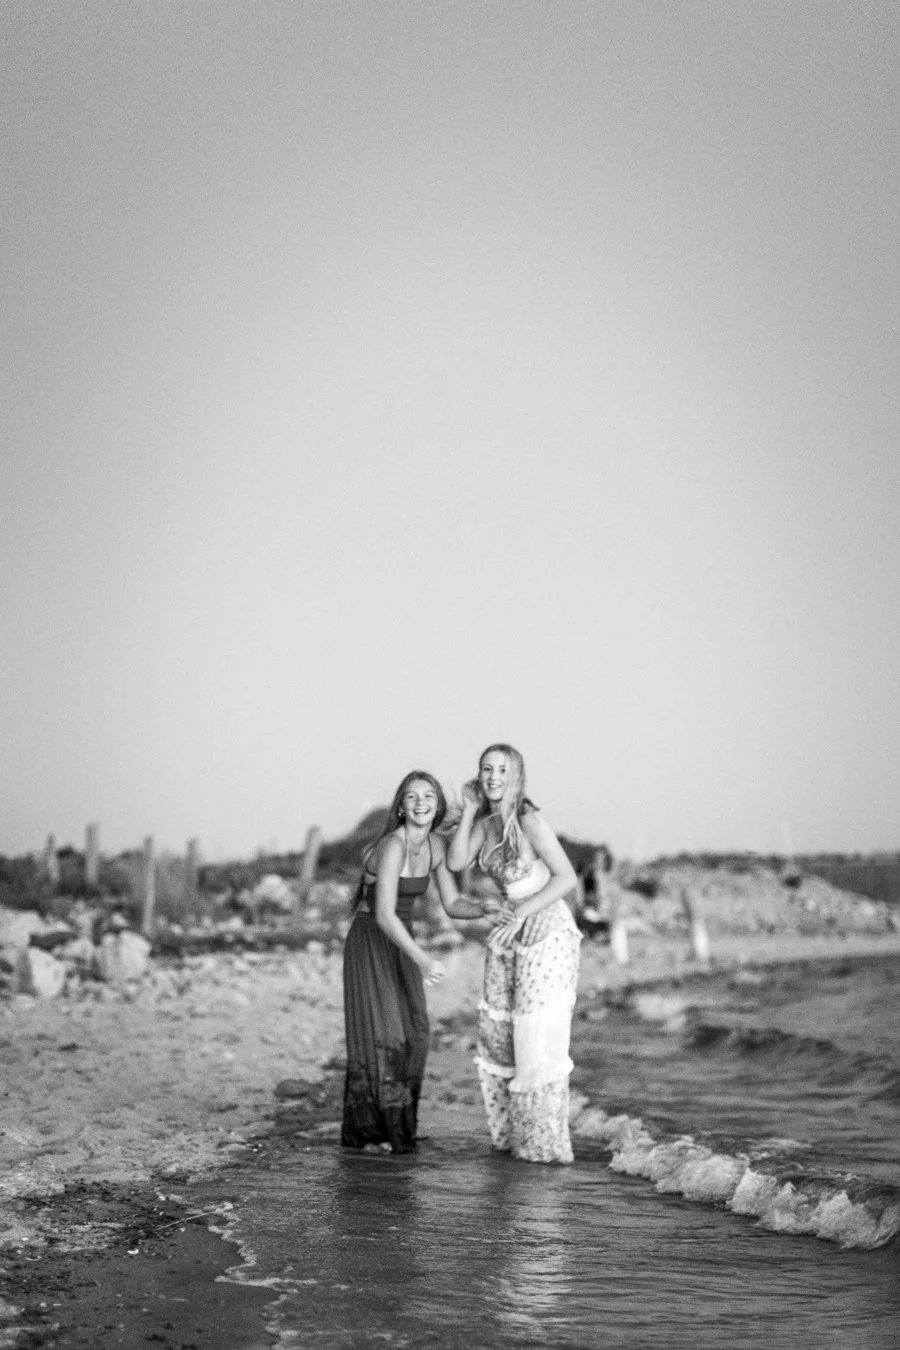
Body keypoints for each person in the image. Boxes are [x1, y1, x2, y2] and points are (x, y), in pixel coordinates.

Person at [341, 769, 495, 1154]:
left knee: (417, 1034)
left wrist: (483, 909)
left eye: (428, 796)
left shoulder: (438, 846)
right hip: (373, 940)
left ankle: (399, 1128)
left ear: (438, 805)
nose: (421, 802)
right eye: (412, 797)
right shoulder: (392, 846)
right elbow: (383, 914)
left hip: (402, 939)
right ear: (400, 807)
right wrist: (424, 961)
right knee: (386, 1036)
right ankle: (373, 1132)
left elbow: (453, 904)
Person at [447, 743, 581, 1164]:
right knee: (503, 1036)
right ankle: (515, 1141)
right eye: (487, 769)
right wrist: (468, 808)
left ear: (517, 775)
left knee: (537, 1035)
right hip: (512, 928)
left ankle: (546, 1149)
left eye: (502, 770)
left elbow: (566, 877)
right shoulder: (486, 823)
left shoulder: (529, 818)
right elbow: (455, 861)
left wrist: (522, 912)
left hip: (545, 925)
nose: (493, 777)